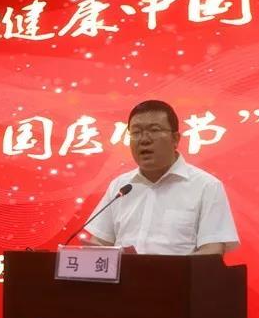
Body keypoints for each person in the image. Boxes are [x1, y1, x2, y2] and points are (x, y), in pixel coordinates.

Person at [85, 100, 238, 255]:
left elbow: (212, 251)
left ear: (175, 139)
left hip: (179, 272)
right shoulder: (120, 186)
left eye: (154, 130)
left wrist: (164, 268)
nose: (144, 140)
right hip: (123, 272)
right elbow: (100, 242)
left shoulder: (206, 186)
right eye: (136, 132)